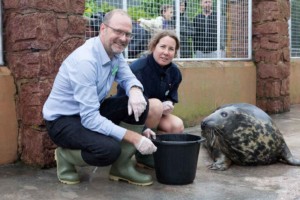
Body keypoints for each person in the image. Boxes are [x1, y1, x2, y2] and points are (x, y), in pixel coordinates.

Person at [42, 9, 157, 186]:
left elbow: (127, 77)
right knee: (109, 150)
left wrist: (134, 90)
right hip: (63, 121)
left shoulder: (114, 53)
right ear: (103, 28)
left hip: (89, 112)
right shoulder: (86, 61)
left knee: (139, 103)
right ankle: (65, 156)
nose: (123, 38)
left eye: (127, 34)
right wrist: (135, 137)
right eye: (118, 31)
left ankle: (122, 167)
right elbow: (90, 119)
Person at [116, 30, 184, 168]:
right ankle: (142, 154)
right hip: (129, 118)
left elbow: (171, 96)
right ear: (153, 46)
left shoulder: (175, 72)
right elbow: (122, 101)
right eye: (162, 46)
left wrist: (170, 104)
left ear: (175, 53)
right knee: (155, 105)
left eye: (171, 49)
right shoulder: (138, 68)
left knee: (177, 125)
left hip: (155, 115)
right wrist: (147, 124)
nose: (166, 52)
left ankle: (157, 151)